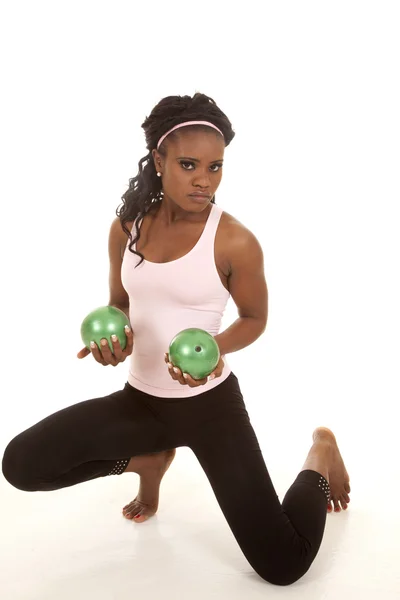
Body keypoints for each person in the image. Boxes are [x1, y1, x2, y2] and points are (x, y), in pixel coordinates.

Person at [2, 93, 350, 586]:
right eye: (189, 165)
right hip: (141, 402)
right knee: (21, 464)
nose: (204, 179)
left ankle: (321, 453)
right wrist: (116, 338)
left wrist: (215, 353)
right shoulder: (127, 228)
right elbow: (120, 302)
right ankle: (148, 459)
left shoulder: (234, 241)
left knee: (284, 564)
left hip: (210, 407)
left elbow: (254, 318)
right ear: (159, 161)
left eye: (215, 166)